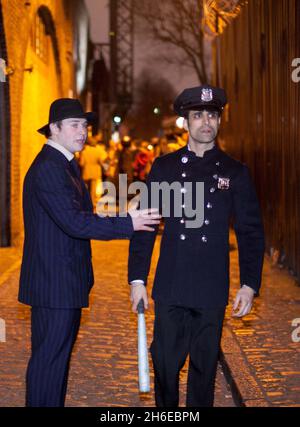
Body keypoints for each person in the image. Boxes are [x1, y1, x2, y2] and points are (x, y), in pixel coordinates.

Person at [128, 85, 265, 407]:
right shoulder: (166, 168)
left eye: (213, 115)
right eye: (198, 115)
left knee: (204, 372)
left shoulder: (235, 172)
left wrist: (249, 285)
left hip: (210, 286)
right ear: (186, 122)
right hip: (171, 284)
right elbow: (146, 226)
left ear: (219, 121)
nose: (206, 122)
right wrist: (137, 280)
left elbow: (250, 232)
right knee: (163, 364)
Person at [18, 98, 160, 407]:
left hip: (61, 283)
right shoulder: (49, 169)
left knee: (55, 363)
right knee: (48, 363)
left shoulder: (63, 164)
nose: (82, 131)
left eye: (84, 125)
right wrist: (129, 223)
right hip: (54, 284)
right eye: (74, 125)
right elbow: (75, 223)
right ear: (54, 129)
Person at [79, 136, 107, 209]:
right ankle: (94, 203)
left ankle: (86, 203)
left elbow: (81, 163)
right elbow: (102, 162)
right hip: (96, 172)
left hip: (86, 172)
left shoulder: (84, 151)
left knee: (86, 189)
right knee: (94, 190)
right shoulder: (98, 151)